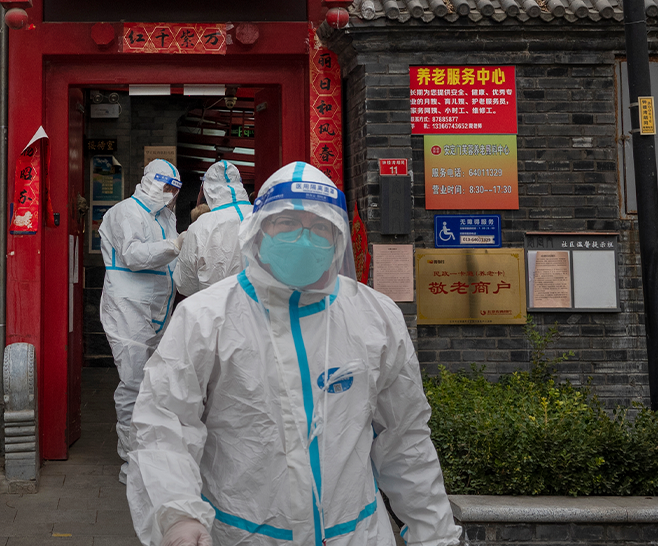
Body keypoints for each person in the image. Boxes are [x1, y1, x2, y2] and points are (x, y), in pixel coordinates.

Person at [127, 162, 463, 546]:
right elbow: (165, 424)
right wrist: (178, 514)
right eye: (286, 224)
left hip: (356, 535)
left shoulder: (375, 317)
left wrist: (435, 533)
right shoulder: (206, 319)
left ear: (337, 239)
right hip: (243, 536)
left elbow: (405, 439)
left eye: (320, 228)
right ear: (258, 232)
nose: (304, 239)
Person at [99, 158, 183, 484]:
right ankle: (132, 463)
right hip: (128, 309)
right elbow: (134, 256)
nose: (170, 195)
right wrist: (175, 245)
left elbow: (171, 261)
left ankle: (150, 453)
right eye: (165, 187)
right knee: (134, 384)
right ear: (149, 181)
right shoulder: (125, 212)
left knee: (156, 384)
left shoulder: (166, 217)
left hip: (159, 309)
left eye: (174, 190)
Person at [173, 161, 252, 297]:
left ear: (206, 190)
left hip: (215, 312)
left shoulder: (201, 226)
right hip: (259, 313)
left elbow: (184, 285)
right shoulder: (263, 216)